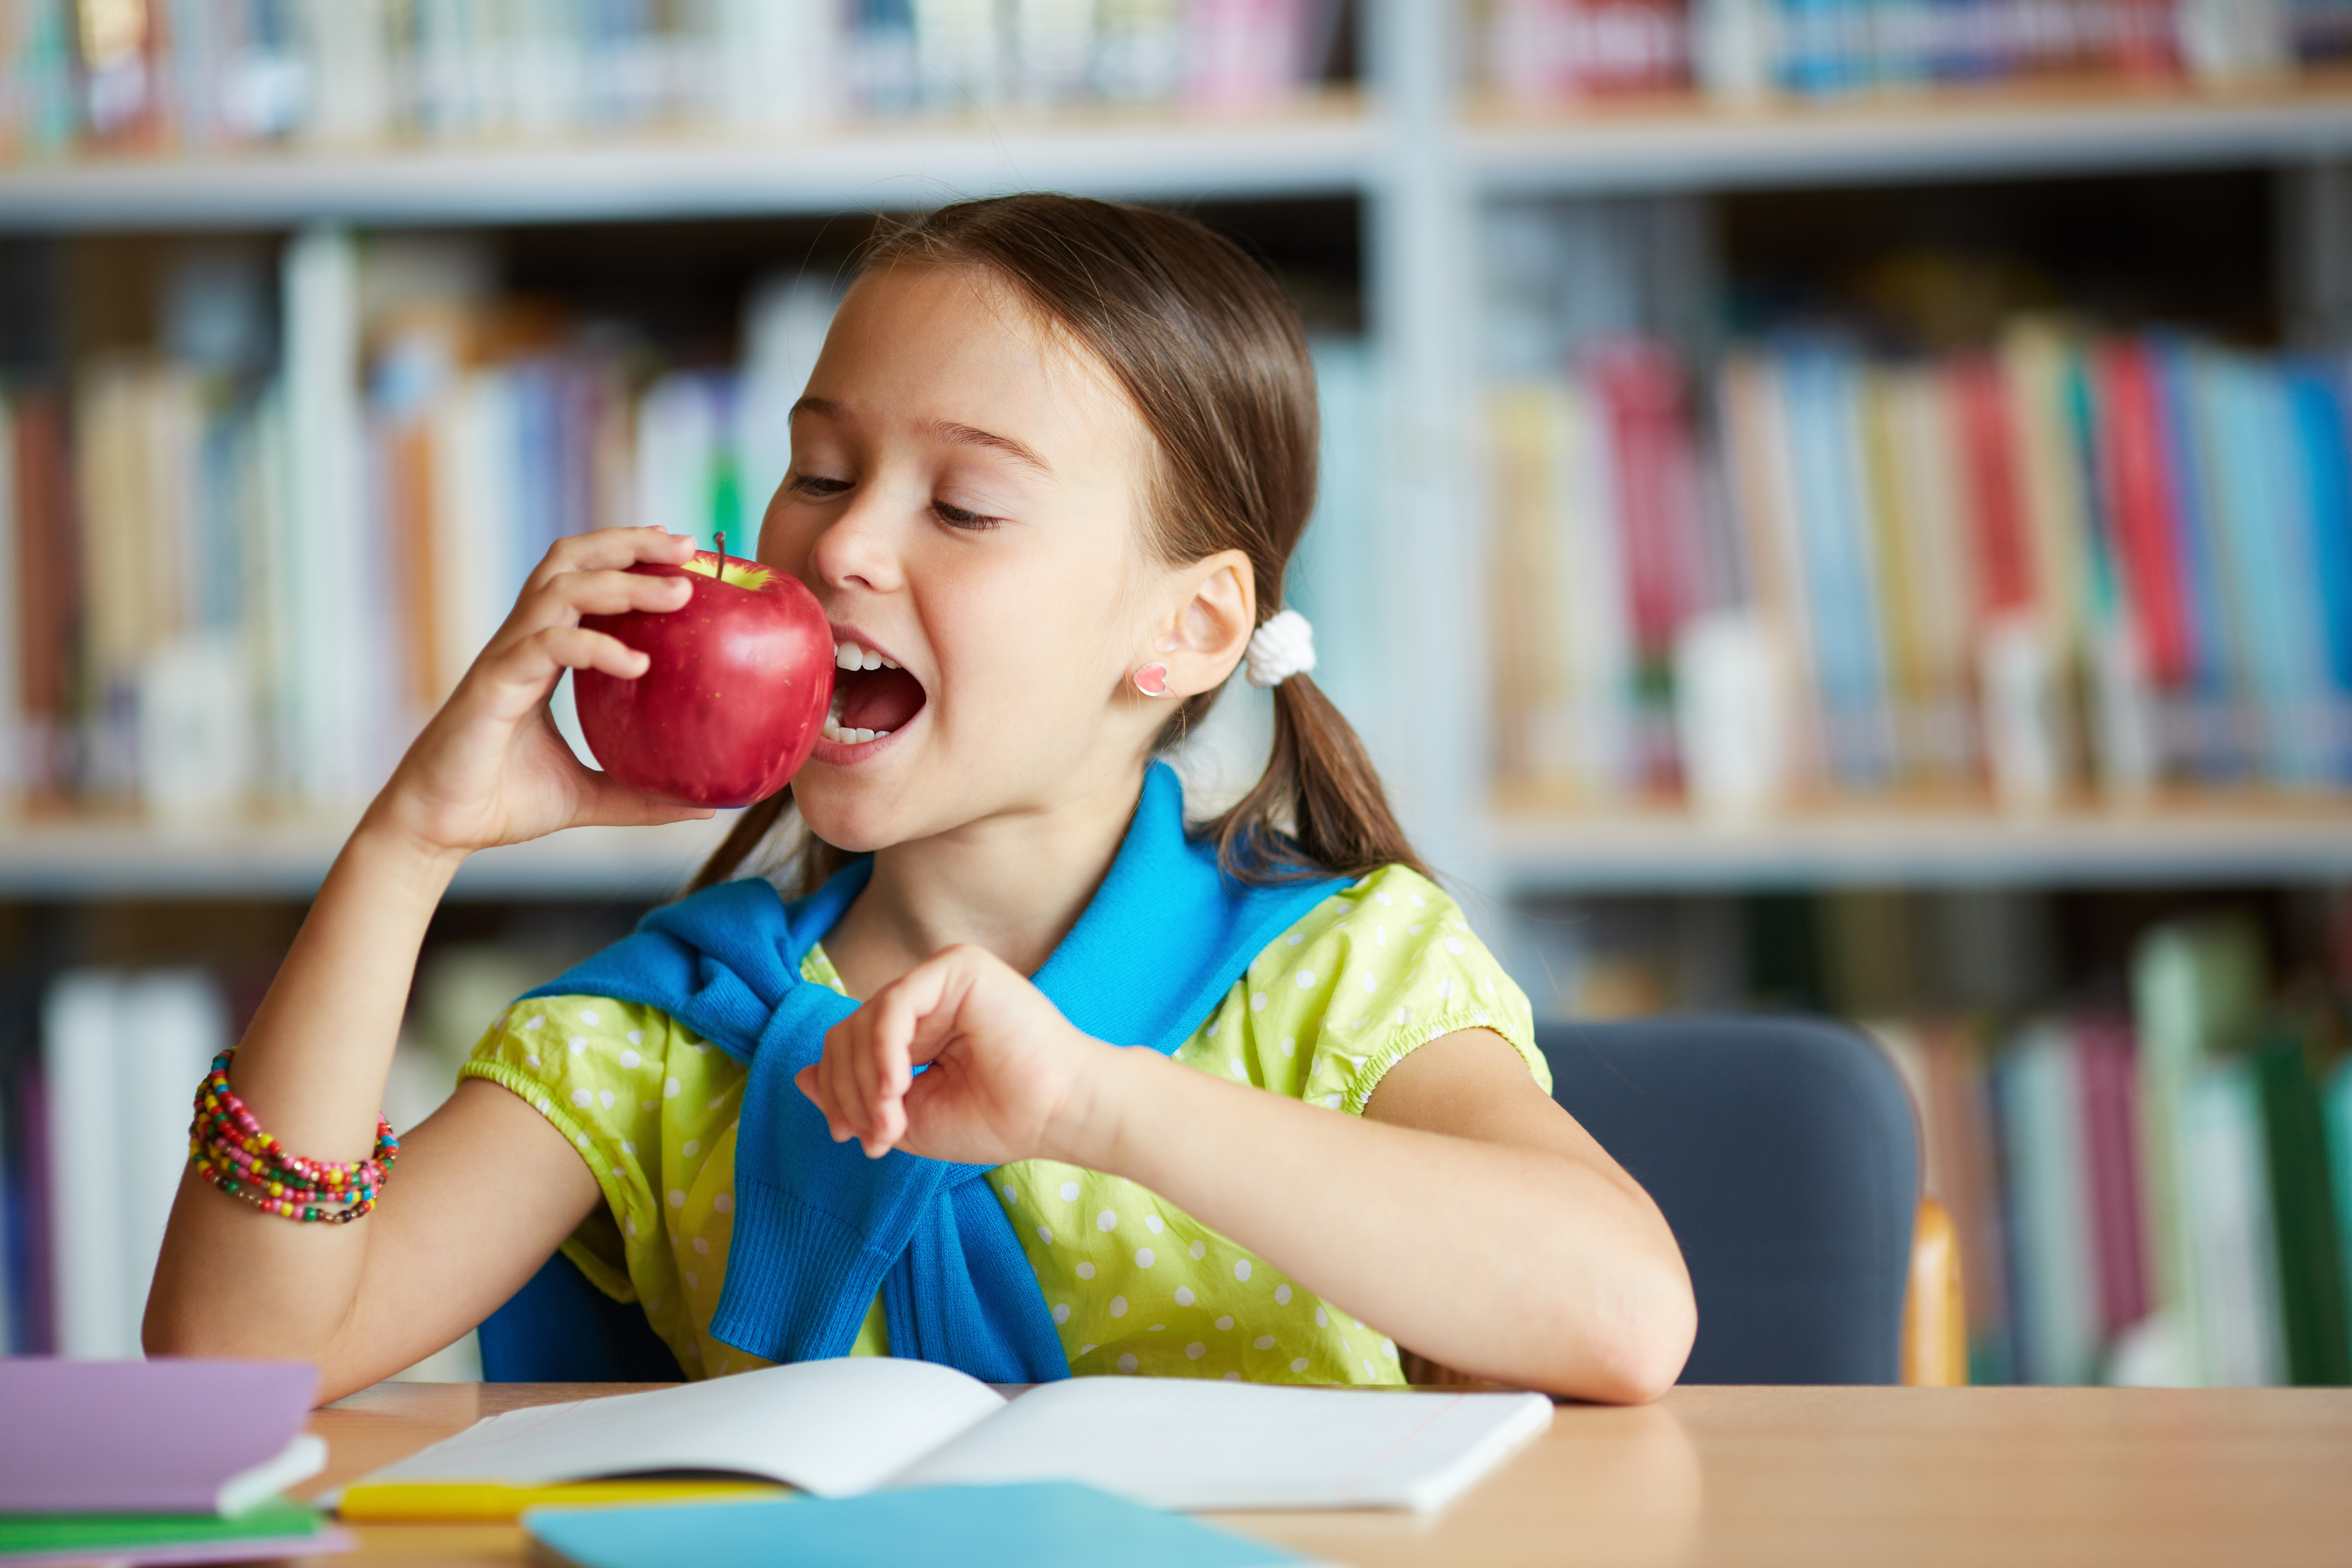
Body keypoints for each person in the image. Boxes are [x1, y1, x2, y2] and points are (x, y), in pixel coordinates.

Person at [146, 195, 1694, 1404]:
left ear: (1189, 630)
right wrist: (409, 844)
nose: (842, 550)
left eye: (964, 504)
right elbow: (237, 1361)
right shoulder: (663, 1034)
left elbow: (1624, 1316)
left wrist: (1097, 1105)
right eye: (820, 473)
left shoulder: (1341, 981)